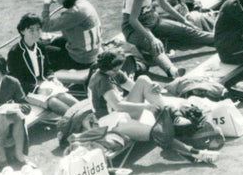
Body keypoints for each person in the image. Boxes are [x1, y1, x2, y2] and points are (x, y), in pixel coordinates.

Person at [87, 50, 218, 164]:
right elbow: (118, 106)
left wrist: (153, 87)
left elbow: (135, 87)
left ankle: (174, 116)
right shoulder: (101, 80)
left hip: (121, 114)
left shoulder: (112, 72)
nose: (118, 71)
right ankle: (196, 154)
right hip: (111, 122)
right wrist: (147, 107)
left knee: (144, 79)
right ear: (108, 68)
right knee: (158, 133)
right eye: (115, 69)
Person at [122, 0, 213, 78]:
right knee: (154, 45)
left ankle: (218, 39)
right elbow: (133, 20)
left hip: (152, 19)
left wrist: (183, 20)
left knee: (186, 30)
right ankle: (172, 71)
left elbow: (162, 3)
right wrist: (152, 39)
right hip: (133, 28)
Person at [7, 13, 78, 115]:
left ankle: (90, 116)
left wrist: (52, 78)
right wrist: (38, 89)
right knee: (53, 102)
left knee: (65, 97)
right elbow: (17, 81)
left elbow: (47, 67)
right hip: (26, 91)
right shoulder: (15, 53)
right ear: (22, 31)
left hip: (43, 83)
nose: (36, 33)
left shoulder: (40, 45)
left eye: (38, 29)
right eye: (31, 30)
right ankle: (78, 122)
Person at [41, 0, 102, 70]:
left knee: (44, 50)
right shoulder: (84, 5)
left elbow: (45, 26)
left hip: (81, 60)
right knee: (55, 42)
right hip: (91, 53)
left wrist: (46, 4)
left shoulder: (74, 12)